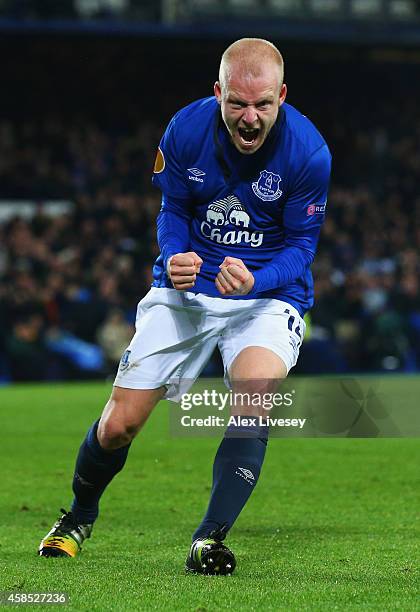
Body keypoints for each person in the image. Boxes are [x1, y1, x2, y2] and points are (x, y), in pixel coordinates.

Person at [38, 38, 331, 575]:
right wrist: (174, 254)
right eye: (237, 103)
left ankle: (209, 539)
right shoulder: (184, 130)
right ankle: (78, 516)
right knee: (117, 427)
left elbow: (303, 249)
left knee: (255, 396)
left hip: (264, 298)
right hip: (186, 292)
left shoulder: (309, 153)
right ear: (217, 92)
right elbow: (173, 206)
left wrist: (258, 277)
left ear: (282, 96)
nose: (249, 118)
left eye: (263, 105)